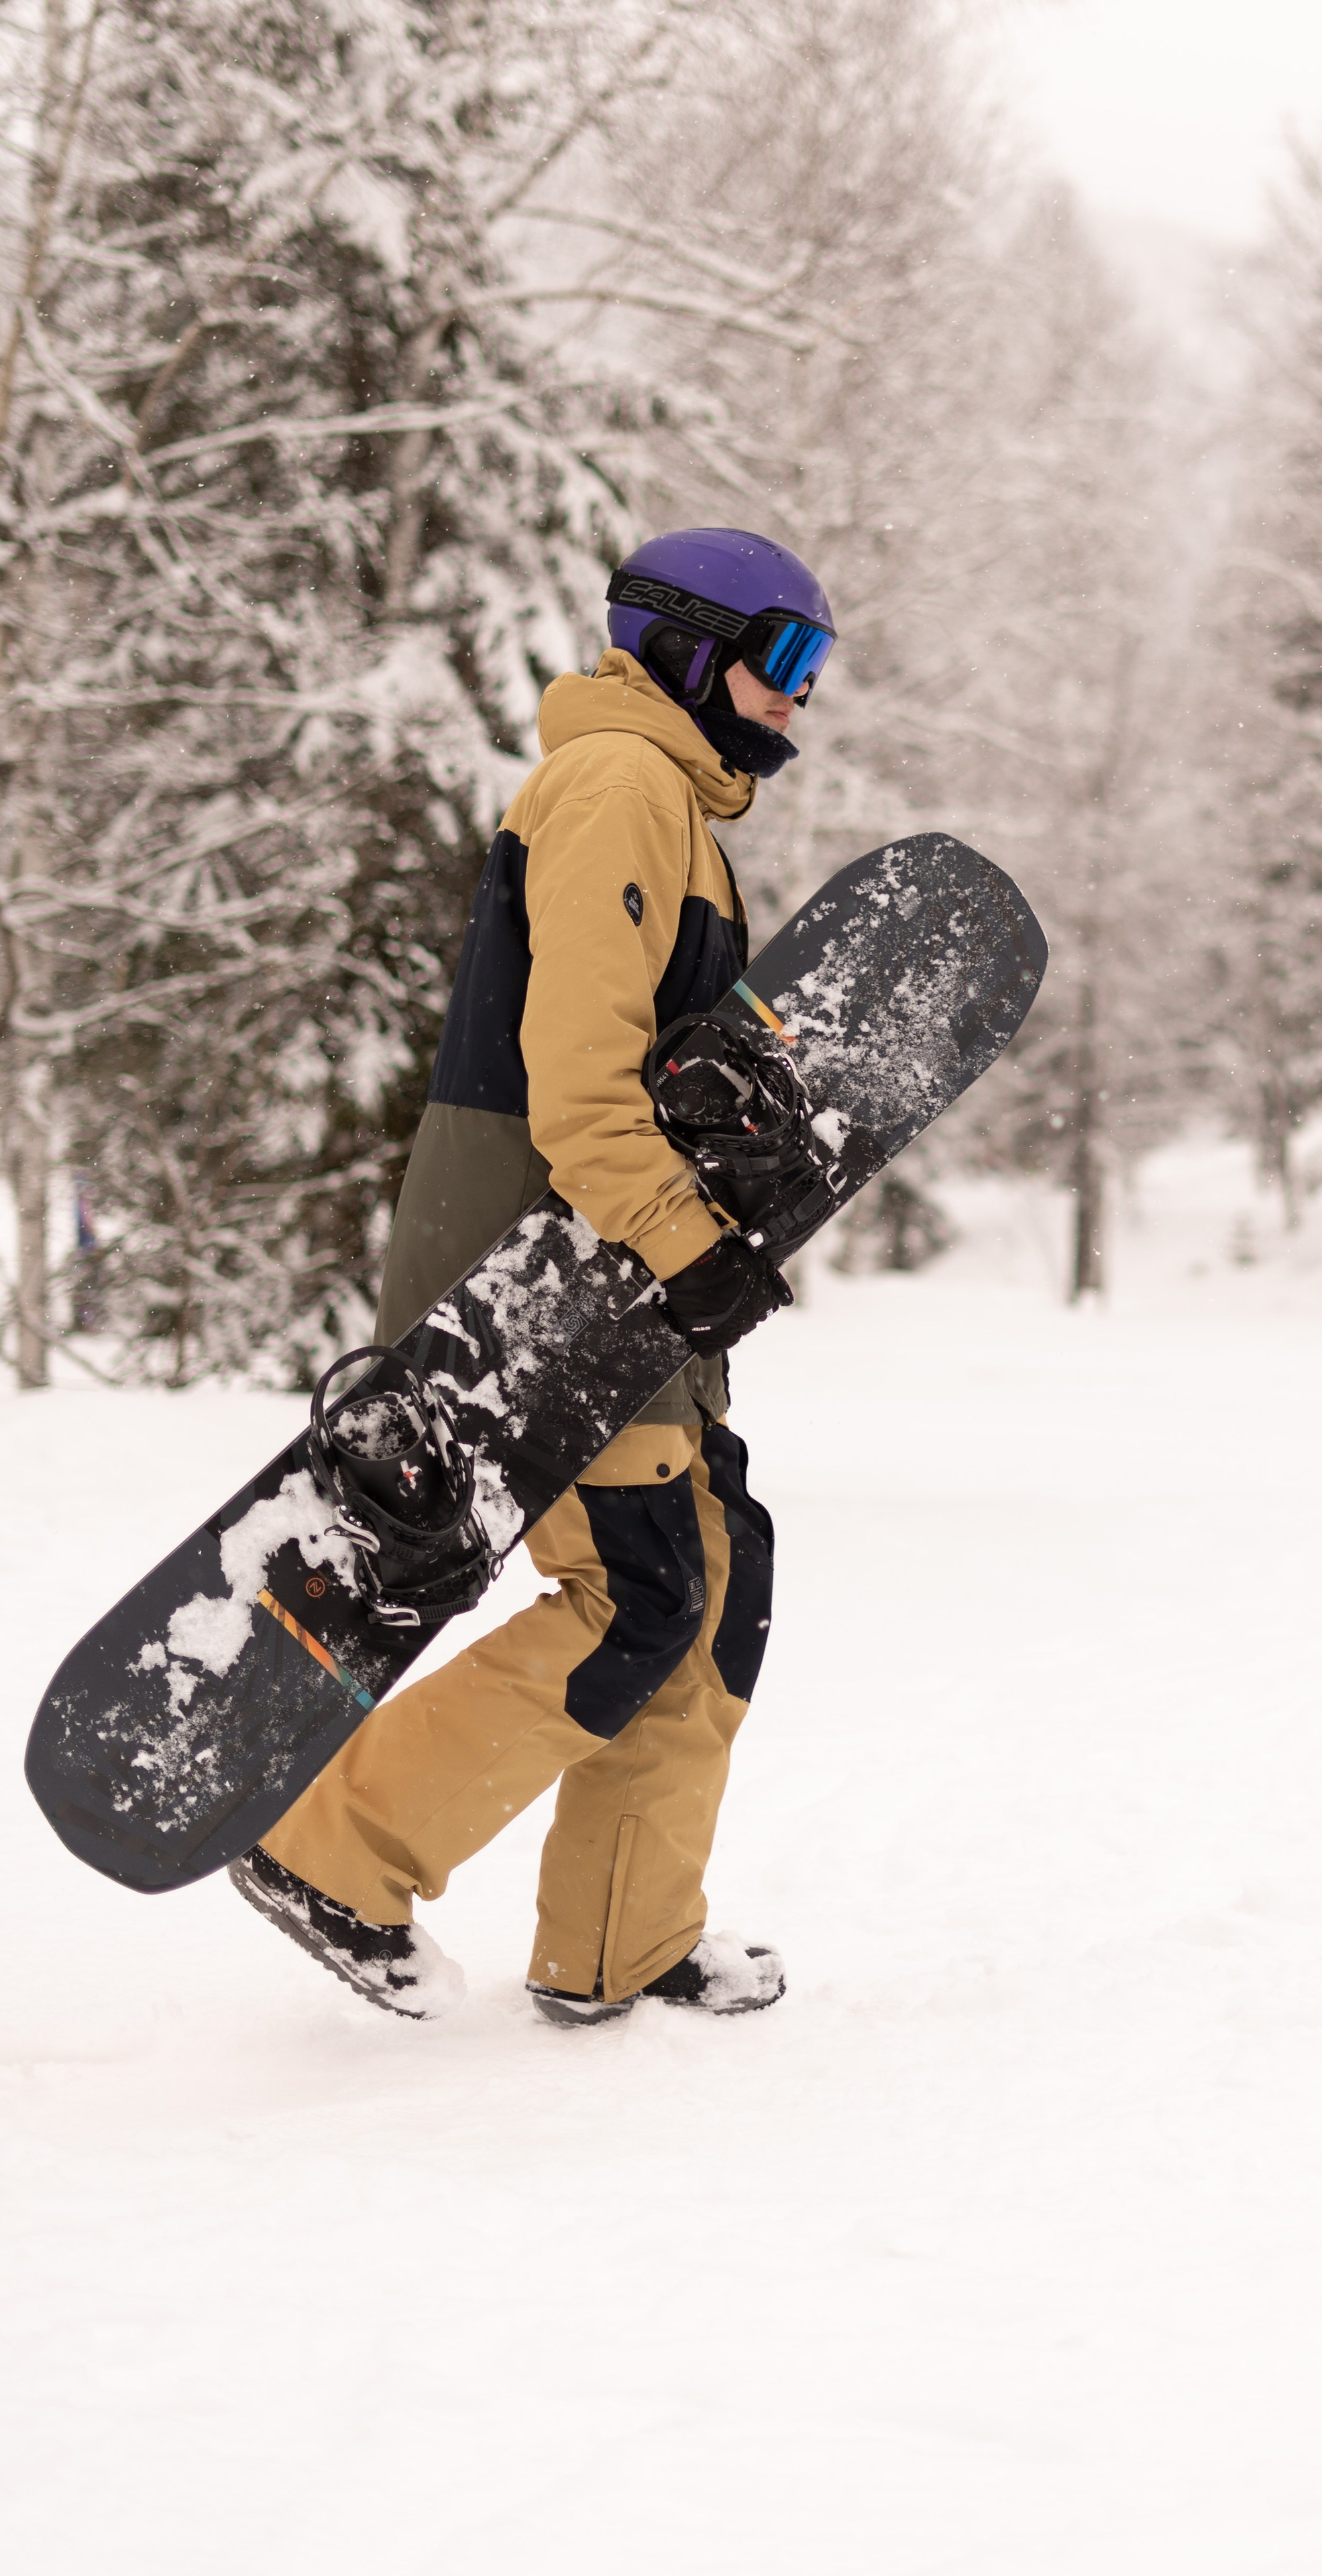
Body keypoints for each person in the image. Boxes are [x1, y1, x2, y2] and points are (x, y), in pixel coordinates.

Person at [227, 527, 836, 2023]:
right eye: (786, 664)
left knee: (705, 1585)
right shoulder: (618, 788)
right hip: (539, 1269)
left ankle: (623, 1934)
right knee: (632, 1592)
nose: (798, 705)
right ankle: (333, 1852)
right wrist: (690, 1253)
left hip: (614, 1266)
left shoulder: (675, 810)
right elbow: (576, 1088)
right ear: (697, 647)